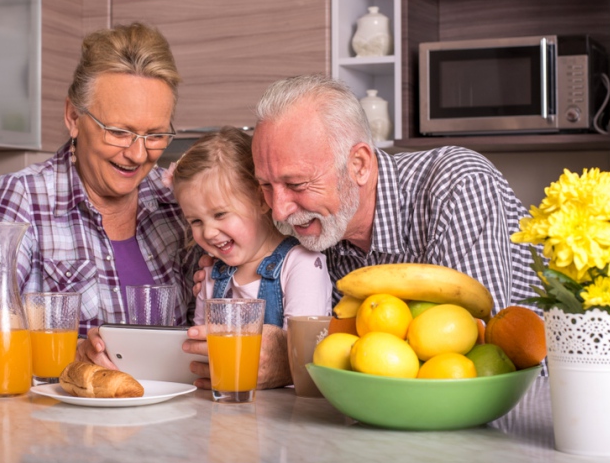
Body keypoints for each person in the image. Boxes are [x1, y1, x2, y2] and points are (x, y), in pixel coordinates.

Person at [182, 73, 540, 389]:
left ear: (359, 165)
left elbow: (474, 356)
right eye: (265, 185)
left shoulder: (456, 185)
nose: (279, 210)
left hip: (526, 411)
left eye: (297, 184)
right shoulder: (310, 226)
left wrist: (293, 361)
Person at [0, 22, 197, 367]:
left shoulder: (177, 197)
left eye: (155, 136)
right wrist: (71, 355)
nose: (138, 154)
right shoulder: (26, 195)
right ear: (73, 117)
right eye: (119, 132)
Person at [169, 127, 332, 331]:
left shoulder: (302, 265)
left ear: (261, 200)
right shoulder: (211, 275)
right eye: (196, 221)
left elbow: (301, 345)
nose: (208, 232)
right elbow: (200, 344)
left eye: (220, 214)